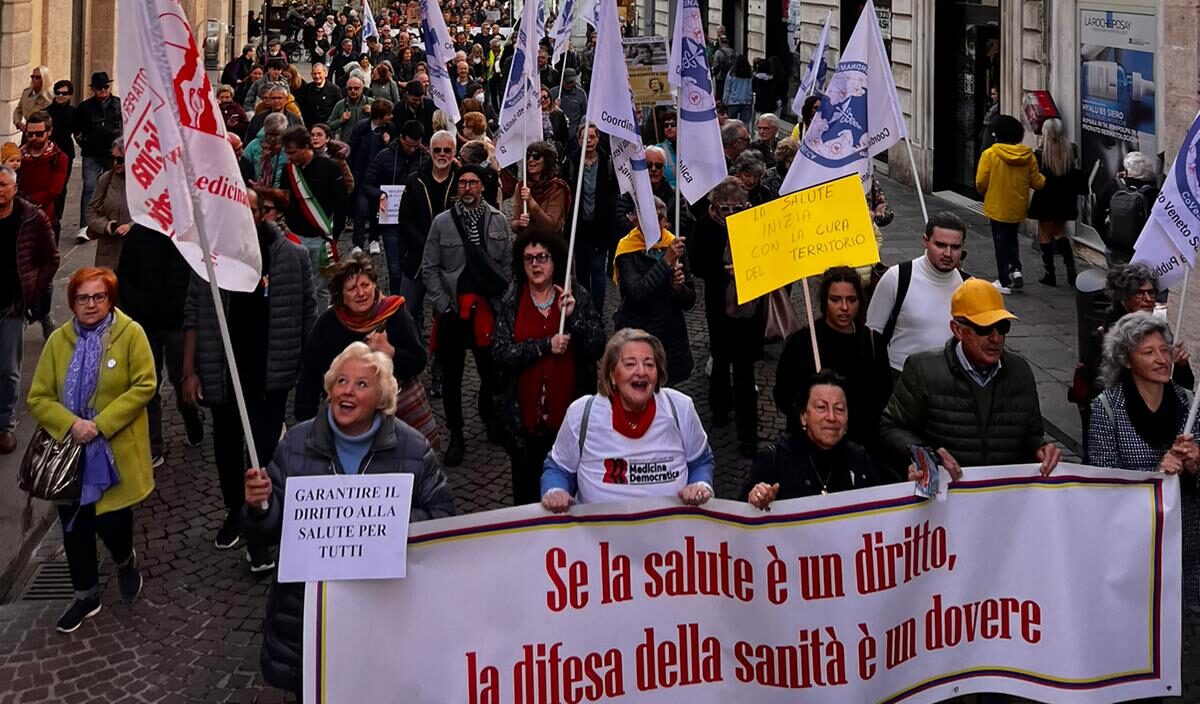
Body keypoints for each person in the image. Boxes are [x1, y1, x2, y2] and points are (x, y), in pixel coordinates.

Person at [243, 342, 455, 700]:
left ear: (383, 397)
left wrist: (385, 527)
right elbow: (269, 529)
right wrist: (261, 507)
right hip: (311, 617)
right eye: (341, 381)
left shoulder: (413, 449)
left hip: (385, 615)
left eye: (361, 384)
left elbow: (443, 519)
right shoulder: (296, 444)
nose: (348, 391)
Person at [182, 190, 315, 571]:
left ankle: (259, 524)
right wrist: (189, 372)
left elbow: (308, 313)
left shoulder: (292, 257)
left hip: (270, 374)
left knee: (262, 450)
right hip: (222, 371)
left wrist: (307, 370)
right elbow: (192, 313)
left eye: (255, 210)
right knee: (225, 446)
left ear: (264, 215)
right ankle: (233, 509)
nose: (248, 216)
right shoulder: (209, 259)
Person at [28, 267, 155, 634]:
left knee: (112, 521)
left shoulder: (131, 334)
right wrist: (72, 424)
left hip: (113, 452)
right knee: (74, 527)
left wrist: (101, 424)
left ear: (110, 299)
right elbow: (39, 396)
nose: (91, 304)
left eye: (98, 296)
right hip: (69, 454)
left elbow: (145, 384)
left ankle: (124, 559)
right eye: (83, 298)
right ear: (72, 302)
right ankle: (86, 595)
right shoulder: (58, 342)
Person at [879, 278, 1063, 479]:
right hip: (948, 495)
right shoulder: (923, 370)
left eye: (1002, 327)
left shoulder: (1020, 371)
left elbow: (1031, 434)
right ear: (957, 330)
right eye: (983, 329)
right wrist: (926, 455)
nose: (995, 338)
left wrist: (1041, 448)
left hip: (1003, 496)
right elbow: (891, 427)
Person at [1087, 312, 1200, 609]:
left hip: (1184, 540)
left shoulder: (1188, 402)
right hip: (1133, 544)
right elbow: (1103, 483)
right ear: (1126, 359)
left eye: (1164, 350)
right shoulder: (1107, 408)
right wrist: (1156, 474)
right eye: (1148, 352)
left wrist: (1194, 465)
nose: (1162, 359)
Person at [540, 329, 714, 511]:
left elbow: (701, 461)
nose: (641, 372)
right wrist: (555, 490)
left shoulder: (680, 407)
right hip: (597, 535)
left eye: (649, 364)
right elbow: (558, 467)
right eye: (630, 364)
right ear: (612, 375)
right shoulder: (582, 413)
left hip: (668, 536)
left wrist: (700, 485)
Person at [493, 231, 606, 504]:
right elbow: (500, 354)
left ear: (555, 261)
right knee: (527, 495)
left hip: (568, 422)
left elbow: (597, 346)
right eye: (529, 259)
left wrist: (574, 317)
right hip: (525, 425)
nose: (536, 265)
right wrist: (545, 346)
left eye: (542, 257)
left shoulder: (575, 296)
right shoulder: (511, 302)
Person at [421, 163, 512, 467]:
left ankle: (490, 419)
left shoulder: (499, 221)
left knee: (491, 372)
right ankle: (456, 433)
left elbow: (508, 266)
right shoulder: (442, 223)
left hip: (488, 309)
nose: (468, 188)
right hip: (453, 309)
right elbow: (430, 266)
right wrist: (442, 303)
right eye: (462, 184)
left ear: (482, 187)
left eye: (473, 183)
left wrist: (502, 299)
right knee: (452, 377)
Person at [294, 253, 427, 433]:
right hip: (346, 417)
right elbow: (310, 374)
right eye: (352, 288)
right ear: (340, 294)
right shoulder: (328, 324)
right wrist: (306, 423)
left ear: (375, 286)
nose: (361, 293)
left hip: (396, 416)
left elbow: (418, 361)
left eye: (365, 285)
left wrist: (390, 352)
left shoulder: (394, 313)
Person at [1073, 263, 1193, 450]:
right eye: (1139, 294)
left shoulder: (1158, 331)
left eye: (1151, 293)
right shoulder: (1106, 338)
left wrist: (1181, 366)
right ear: (1123, 298)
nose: (1148, 299)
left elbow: (1181, 389)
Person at [775, 267, 892, 451]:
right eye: (835, 300)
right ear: (824, 302)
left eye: (851, 300)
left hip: (860, 445)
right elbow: (783, 395)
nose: (844, 307)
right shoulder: (803, 343)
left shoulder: (872, 342)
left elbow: (882, 395)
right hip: (810, 446)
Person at [116, 217, 204, 464]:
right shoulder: (139, 235)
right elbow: (124, 275)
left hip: (178, 324)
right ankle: (153, 443)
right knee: (148, 384)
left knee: (183, 378)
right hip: (146, 324)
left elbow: (196, 278)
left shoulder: (188, 236)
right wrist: (136, 309)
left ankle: (191, 417)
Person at [690, 177, 764, 458]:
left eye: (738, 208)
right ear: (714, 207)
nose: (732, 215)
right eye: (726, 209)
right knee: (721, 359)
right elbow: (698, 265)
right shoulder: (705, 226)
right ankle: (719, 408)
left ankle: (748, 437)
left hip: (750, 310)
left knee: (744, 371)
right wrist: (723, 271)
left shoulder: (753, 223)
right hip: (720, 308)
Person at [746, 370, 883, 508]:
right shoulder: (775, 460)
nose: (831, 417)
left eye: (839, 409)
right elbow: (740, 517)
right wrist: (756, 499)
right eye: (821, 407)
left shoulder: (859, 460)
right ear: (804, 416)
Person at [865, 212, 968, 375]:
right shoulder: (897, 277)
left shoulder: (970, 286)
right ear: (926, 241)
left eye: (955, 247)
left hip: (951, 379)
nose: (948, 254)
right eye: (940, 245)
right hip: (901, 375)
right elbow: (872, 331)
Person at [0, 166, 58, 453]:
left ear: (14, 187)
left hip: (11, 307)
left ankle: (5, 425)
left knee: (8, 369)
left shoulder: (32, 218)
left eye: (3, 185)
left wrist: (34, 291)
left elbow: (51, 258)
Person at [613, 197, 696, 384]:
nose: (651, 223)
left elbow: (690, 300)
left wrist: (679, 288)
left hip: (670, 337)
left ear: (666, 222)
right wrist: (665, 262)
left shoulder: (675, 246)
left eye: (657, 218)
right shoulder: (626, 248)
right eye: (645, 217)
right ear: (635, 221)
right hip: (638, 331)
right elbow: (636, 292)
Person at [394, 129, 457, 332]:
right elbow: (405, 220)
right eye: (437, 150)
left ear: (454, 152)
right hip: (417, 257)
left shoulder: (462, 181)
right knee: (407, 309)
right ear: (430, 151)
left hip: (451, 259)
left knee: (449, 311)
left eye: (447, 150)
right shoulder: (414, 181)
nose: (442, 154)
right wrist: (427, 246)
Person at [976, 114, 1045, 293]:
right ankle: (1016, 270)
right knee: (1012, 239)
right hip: (1017, 206)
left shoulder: (990, 154)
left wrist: (986, 193)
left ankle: (1004, 281)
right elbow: (1037, 182)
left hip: (997, 205)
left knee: (1000, 242)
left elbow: (980, 182)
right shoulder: (1027, 155)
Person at [280, 126, 347, 311]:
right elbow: (285, 200)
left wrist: (335, 233)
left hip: (321, 238)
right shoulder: (289, 171)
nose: (289, 157)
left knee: (321, 288)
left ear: (305, 147)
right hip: (296, 237)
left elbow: (342, 203)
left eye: (292, 152)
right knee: (297, 285)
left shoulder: (330, 167)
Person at [564, 124, 619, 314]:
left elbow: (614, 192)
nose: (588, 141)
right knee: (581, 272)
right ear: (579, 140)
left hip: (600, 226)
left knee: (597, 269)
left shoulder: (607, 162)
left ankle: (597, 310)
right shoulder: (572, 162)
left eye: (592, 137)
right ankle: (584, 309)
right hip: (579, 227)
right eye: (584, 137)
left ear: (597, 139)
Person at [1027, 118, 1084, 286]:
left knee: (1045, 234)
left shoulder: (1040, 154)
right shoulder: (1071, 150)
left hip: (1045, 197)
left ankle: (1049, 273)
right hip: (1065, 197)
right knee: (1060, 231)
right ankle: (1070, 268)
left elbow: (1035, 177)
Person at [363, 119, 430, 258]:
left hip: (415, 221)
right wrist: (380, 194)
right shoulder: (384, 156)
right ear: (401, 137)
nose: (412, 149)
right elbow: (367, 184)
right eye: (408, 146)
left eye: (415, 146)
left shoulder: (426, 158)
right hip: (391, 220)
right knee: (394, 269)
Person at [72, 72, 121, 244]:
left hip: (112, 155)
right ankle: (85, 225)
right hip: (92, 153)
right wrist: (84, 143)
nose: (103, 90)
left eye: (105, 87)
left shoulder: (118, 105)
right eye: (99, 88)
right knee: (90, 187)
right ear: (93, 89)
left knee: (112, 189)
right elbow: (76, 129)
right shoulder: (85, 107)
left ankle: (106, 221)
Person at [1092, 151, 1160, 267]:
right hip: (1141, 248)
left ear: (1127, 169)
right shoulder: (1152, 193)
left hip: (1115, 246)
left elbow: (1096, 216)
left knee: (1117, 280)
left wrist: (1107, 239)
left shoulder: (1113, 186)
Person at [18, 111, 69, 239]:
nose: (33, 137)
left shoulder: (59, 157)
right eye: (30, 134)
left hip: (44, 218)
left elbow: (54, 191)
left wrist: (26, 201)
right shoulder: (18, 155)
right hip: (19, 217)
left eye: (39, 134)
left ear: (49, 132)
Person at [85, 139, 130, 270]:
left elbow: (151, 215)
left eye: (120, 160)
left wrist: (131, 226)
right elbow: (91, 212)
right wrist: (106, 226)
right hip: (108, 251)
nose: (116, 163)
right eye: (113, 158)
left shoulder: (143, 182)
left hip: (133, 251)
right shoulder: (106, 179)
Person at [510, 140, 570, 239]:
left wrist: (531, 202)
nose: (531, 160)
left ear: (546, 161)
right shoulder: (521, 186)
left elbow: (552, 226)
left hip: (549, 244)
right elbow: (514, 221)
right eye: (528, 156)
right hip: (526, 242)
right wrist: (519, 223)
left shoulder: (556, 188)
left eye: (536, 157)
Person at [327, 76, 374, 142]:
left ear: (362, 88)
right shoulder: (340, 104)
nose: (353, 91)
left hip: (366, 143)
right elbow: (329, 125)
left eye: (356, 88)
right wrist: (341, 120)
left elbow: (382, 121)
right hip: (347, 144)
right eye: (350, 88)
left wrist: (373, 113)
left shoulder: (371, 102)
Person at [310, 123, 354, 194]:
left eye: (319, 135)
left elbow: (349, 184)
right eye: (312, 135)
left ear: (327, 138)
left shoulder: (337, 157)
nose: (315, 138)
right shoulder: (308, 157)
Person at [296, 63, 342, 129]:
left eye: (319, 73)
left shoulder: (334, 90)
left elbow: (339, 108)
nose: (317, 76)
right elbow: (302, 106)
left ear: (325, 74)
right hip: (311, 127)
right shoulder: (307, 88)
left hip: (328, 128)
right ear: (311, 75)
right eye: (314, 74)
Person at [13, 65, 51, 132]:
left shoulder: (49, 96)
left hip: (42, 131)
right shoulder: (26, 93)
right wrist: (18, 122)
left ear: (44, 79)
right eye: (32, 77)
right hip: (27, 129)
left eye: (37, 77)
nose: (34, 79)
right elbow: (18, 110)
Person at [537, 86, 570, 158]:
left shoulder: (558, 114)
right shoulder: (533, 117)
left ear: (550, 97)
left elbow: (565, 136)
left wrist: (562, 150)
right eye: (539, 98)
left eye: (545, 97)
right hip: (540, 153)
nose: (543, 100)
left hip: (556, 152)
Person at [722, 55, 753, 125]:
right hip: (747, 101)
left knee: (731, 123)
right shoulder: (749, 74)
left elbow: (727, 88)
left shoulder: (732, 73)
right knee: (745, 123)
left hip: (733, 101)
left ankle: (732, 135)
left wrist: (725, 100)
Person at [656, 110, 678, 189]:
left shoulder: (688, 147)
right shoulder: (658, 149)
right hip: (670, 194)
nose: (669, 128)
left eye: (673, 124)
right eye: (666, 125)